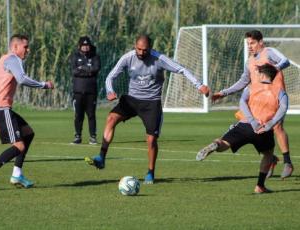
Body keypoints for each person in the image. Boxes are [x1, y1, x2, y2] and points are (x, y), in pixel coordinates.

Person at [85, 35, 210, 184]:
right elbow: (110, 76)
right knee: (111, 118)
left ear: (150, 48)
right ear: (134, 45)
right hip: (132, 100)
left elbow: (181, 69)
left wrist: (199, 85)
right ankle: (101, 157)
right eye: (138, 49)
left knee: (151, 140)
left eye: (145, 50)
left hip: (151, 103)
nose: (141, 52)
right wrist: (110, 91)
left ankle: (150, 172)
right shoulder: (128, 58)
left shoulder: (159, 59)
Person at [211, 30, 293, 179]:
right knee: (254, 130)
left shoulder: (269, 52)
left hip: (274, 97)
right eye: (248, 43)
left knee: (276, 126)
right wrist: (223, 93)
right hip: (256, 101)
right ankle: (271, 159)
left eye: (252, 43)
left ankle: (287, 162)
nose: (250, 46)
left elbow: (285, 61)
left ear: (260, 42)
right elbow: (243, 81)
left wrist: (274, 69)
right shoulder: (249, 61)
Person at [0, 34, 54, 191]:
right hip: (0, 108)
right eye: (25, 47)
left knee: (28, 134)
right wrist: (44, 85)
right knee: (19, 146)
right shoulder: (13, 59)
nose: (28, 50)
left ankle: (16, 174)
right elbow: (22, 79)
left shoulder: (2, 60)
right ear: (15, 47)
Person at [197, 64, 288, 193]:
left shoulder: (251, 87)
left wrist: (251, 120)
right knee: (268, 154)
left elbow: (242, 103)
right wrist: (270, 124)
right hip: (264, 129)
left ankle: (216, 144)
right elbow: (283, 108)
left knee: (225, 143)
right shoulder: (280, 91)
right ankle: (260, 186)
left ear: (262, 74)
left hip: (245, 125)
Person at [70, 36, 101, 144]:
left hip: (91, 92)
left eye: (87, 45)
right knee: (78, 115)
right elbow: (74, 71)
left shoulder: (95, 56)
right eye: (83, 46)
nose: (86, 47)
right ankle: (77, 136)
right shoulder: (75, 56)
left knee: (91, 115)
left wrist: (82, 68)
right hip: (78, 91)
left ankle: (93, 136)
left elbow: (95, 69)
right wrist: (88, 70)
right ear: (79, 46)